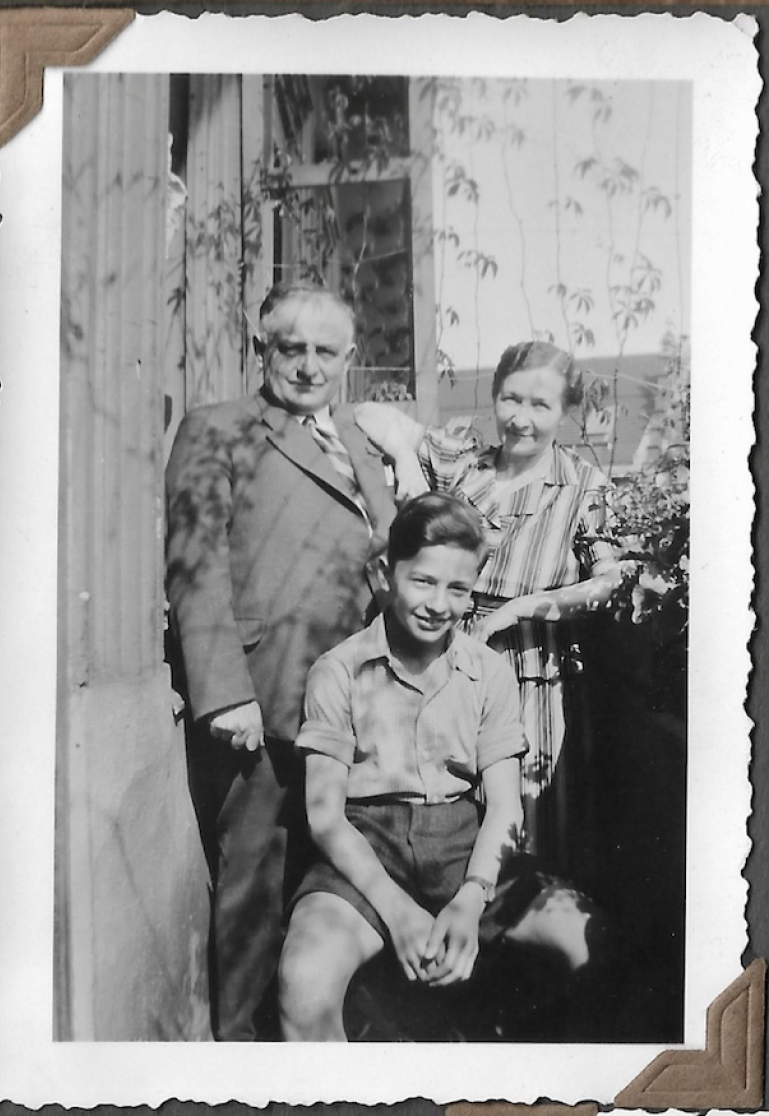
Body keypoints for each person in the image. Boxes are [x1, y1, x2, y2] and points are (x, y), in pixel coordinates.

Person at [279, 493, 617, 1044]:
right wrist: (399, 914)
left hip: (464, 847)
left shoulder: (488, 671)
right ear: (386, 574)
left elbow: (504, 806)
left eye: (458, 589)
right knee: (304, 981)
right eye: (423, 581)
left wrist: (471, 899)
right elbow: (325, 818)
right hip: (365, 849)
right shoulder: (338, 671)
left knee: (593, 942)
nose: (439, 604)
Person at [165, 280, 400, 1040]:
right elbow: (196, 563)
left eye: (325, 351)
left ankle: (319, 1045)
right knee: (254, 889)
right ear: (259, 346)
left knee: (333, 885)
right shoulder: (219, 428)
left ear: (349, 357)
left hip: (357, 703)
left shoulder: (363, 441)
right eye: (289, 348)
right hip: (264, 698)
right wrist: (223, 690)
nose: (307, 366)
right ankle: (244, 1062)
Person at [355, 341, 621, 869]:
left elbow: (609, 582)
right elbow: (365, 413)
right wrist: (408, 460)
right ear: (495, 396)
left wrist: (519, 609)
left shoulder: (582, 487)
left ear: (565, 411)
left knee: (523, 830)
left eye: (540, 405)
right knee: (440, 813)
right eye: (510, 399)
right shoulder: (462, 466)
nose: (521, 418)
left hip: (529, 677)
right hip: (443, 665)